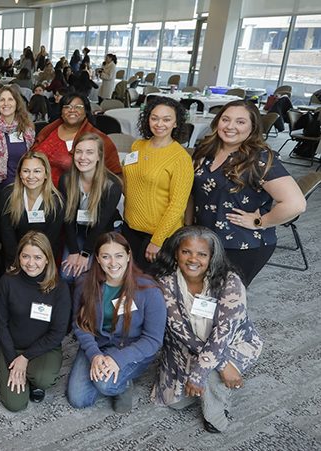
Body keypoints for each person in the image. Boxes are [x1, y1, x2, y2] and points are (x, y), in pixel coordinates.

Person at [150, 226, 262, 433]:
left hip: (231, 342)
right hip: (184, 345)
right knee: (175, 403)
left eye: (202, 254)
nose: (193, 259)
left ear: (212, 256)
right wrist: (218, 366)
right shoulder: (165, 282)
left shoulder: (230, 282)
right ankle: (214, 377)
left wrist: (202, 373)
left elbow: (222, 334)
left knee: (210, 372)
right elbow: (179, 331)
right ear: (176, 253)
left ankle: (217, 410)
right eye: (186, 252)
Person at [190, 100, 305, 286]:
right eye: (225, 119)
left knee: (225, 301)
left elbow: (296, 204)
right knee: (201, 296)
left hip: (241, 244)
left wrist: (261, 222)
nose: (230, 126)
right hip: (205, 239)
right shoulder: (206, 150)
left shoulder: (259, 158)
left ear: (252, 127)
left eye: (240, 122)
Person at [67, 232, 167, 412]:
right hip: (98, 344)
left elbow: (153, 340)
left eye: (119, 256)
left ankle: (123, 384)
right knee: (78, 399)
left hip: (131, 347)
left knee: (105, 385)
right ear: (97, 258)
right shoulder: (84, 283)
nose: (113, 263)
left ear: (128, 256)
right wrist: (95, 355)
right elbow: (80, 324)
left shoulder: (149, 289)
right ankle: (114, 375)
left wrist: (118, 360)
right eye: (106, 257)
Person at [0, 231, 71, 412]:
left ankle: (34, 379)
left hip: (44, 348)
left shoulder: (59, 288)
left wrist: (25, 358)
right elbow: (1, 324)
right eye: (25, 256)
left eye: (37, 257)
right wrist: (13, 358)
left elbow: (58, 332)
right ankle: (24, 374)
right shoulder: (7, 281)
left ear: (47, 259)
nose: (31, 263)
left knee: (44, 379)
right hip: (11, 346)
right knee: (15, 404)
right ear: (19, 257)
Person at [122, 96, 193, 271]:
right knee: (127, 278)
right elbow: (131, 182)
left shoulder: (180, 158)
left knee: (146, 284)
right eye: (154, 118)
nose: (159, 124)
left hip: (157, 234)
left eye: (166, 119)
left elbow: (177, 205)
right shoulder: (137, 146)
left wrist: (157, 240)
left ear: (176, 123)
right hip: (130, 227)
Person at [0, 85, 37, 292]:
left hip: (19, 191)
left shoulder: (27, 129)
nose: (5, 104)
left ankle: (8, 275)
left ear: (17, 103)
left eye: (10, 100)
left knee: (11, 236)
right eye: (1, 100)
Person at [59, 133, 123, 282]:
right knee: (66, 275)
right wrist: (74, 251)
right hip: (78, 231)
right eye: (79, 152)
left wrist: (86, 254)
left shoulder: (112, 185)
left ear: (99, 156)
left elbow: (101, 224)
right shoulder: (66, 180)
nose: (83, 157)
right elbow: (67, 218)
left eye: (89, 152)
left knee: (91, 276)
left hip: (103, 232)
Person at [30, 92, 122, 187]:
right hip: (37, 190)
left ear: (86, 111)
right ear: (61, 111)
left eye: (78, 107)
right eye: (67, 107)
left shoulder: (99, 139)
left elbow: (114, 174)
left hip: (71, 195)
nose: (72, 110)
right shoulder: (48, 131)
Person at [0, 152, 64, 265]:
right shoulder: (8, 194)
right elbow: (7, 233)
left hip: (42, 259)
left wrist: (38, 263)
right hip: (13, 257)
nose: (31, 176)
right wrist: (16, 261)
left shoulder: (56, 201)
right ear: (20, 174)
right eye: (26, 171)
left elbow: (52, 239)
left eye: (37, 171)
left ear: (46, 174)